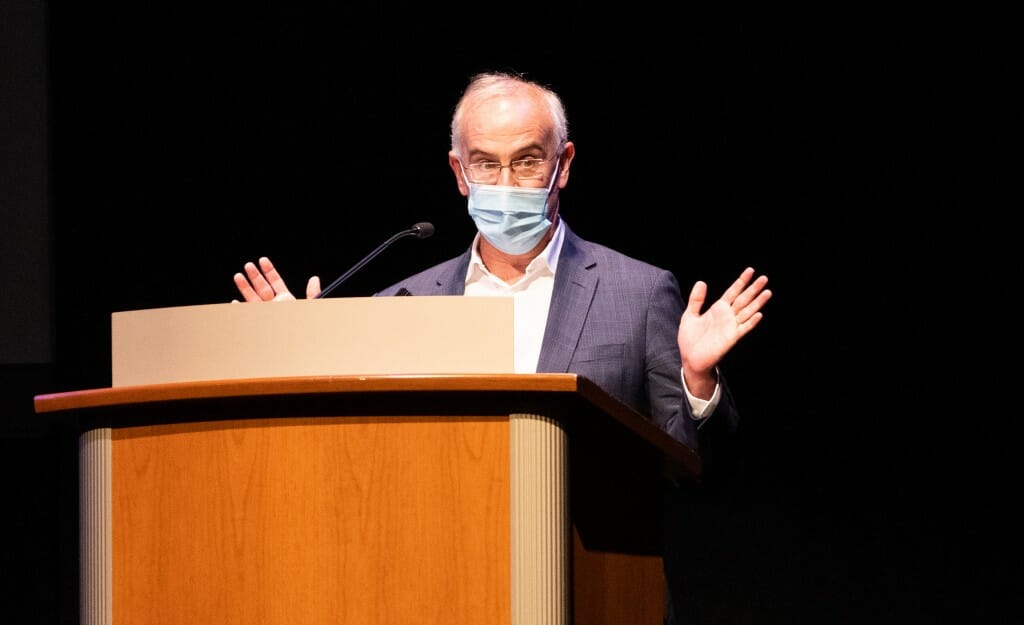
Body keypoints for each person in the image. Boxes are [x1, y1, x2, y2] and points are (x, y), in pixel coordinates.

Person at [233, 71, 771, 623]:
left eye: (527, 161)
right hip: (438, 592)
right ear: (458, 172)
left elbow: (698, 474)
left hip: (593, 594)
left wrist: (697, 385)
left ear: (563, 164)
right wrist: (294, 353)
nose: (506, 183)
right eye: (486, 163)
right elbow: (360, 476)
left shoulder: (638, 293)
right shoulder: (400, 304)